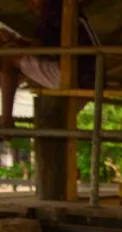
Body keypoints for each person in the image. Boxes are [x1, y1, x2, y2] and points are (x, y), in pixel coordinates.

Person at [1, 0, 100, 135]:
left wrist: (12, 42)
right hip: (91, 77)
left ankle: (6, 119)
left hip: (77, 75)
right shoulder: (64, 9)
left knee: (9, 59)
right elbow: (40, 46)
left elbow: (38, 48)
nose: (30, 5)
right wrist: (17, 42)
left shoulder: (53, 9)